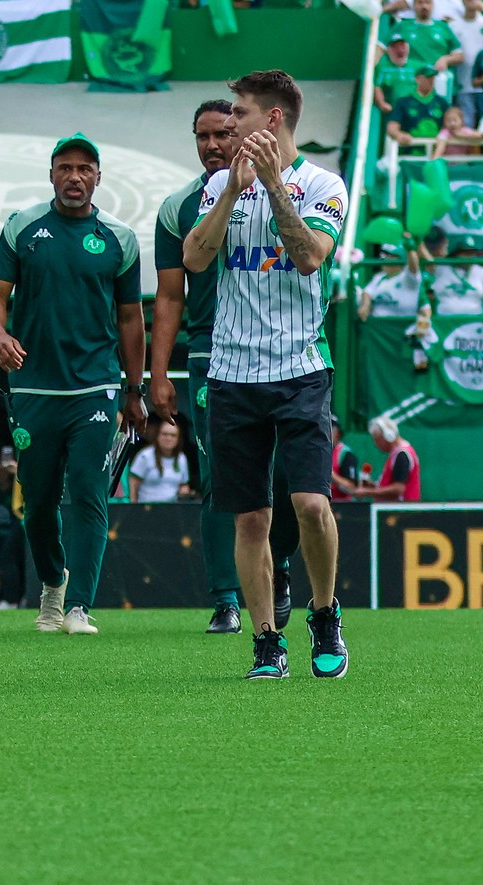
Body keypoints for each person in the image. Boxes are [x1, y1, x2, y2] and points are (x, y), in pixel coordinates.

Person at [181, 70, 351, 680]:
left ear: (273, 119)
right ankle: (265, 640)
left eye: (242, 113)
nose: (231, 125)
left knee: (309, 503)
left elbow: (309, 258)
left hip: (302, 368)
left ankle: (325, 613)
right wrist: (231, 191)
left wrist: (275, 186)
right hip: (231, 372)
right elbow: (194, 259)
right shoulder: (219, 185)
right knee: (251, 516)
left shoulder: (323, 184)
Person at [0, 133, 144, 637]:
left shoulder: (120, 238)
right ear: (51, 174)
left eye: (84, 169)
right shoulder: (22, 228)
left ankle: (78, 607)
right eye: (65, 168)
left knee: (90, 494)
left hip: (96, 386)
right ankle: (52, 585)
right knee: (39, 502)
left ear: (98, 176)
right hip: (33, 388)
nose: (75, 177)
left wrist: (134, 388)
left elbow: (131, 319)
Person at [149, 97, 245, 634]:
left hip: (276, 351)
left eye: (223, 135)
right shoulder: (177, 207)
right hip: (212, 353)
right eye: (203, 136)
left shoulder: (281, 192)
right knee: (218, 476)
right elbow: (169, 297)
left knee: (277, 475)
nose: (213, 145)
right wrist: (160, 374)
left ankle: (274, 578)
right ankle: (227, 596)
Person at [355, 415, 421, 501]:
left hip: (402, 511)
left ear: (388, 436)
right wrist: (373, 487)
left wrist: (367, 492)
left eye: (377, 439)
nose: (375, 444)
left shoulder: (402, 455)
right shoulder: (398, 453)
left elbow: (398, 488)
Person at [127, 419, 193, 503]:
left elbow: (183, 485)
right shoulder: (145, 456)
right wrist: (133, 506)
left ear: (178, 439)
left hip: (173, 510)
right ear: (157, 435)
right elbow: (133, 483)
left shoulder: (182, 458)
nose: (168, 438)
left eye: (173, 435)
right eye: (165, 434)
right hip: (146, 509)